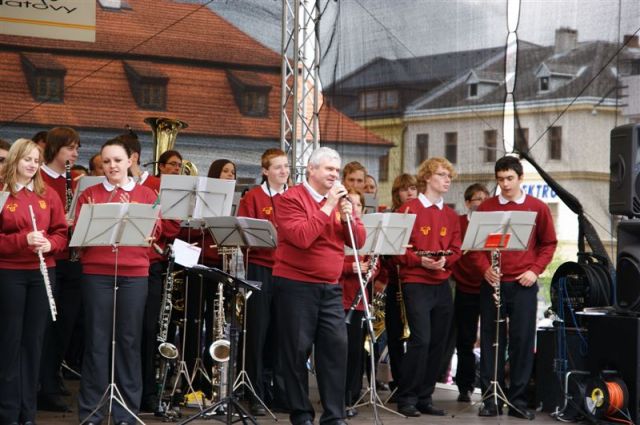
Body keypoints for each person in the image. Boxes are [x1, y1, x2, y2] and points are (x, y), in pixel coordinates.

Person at [272, 147, 365, 425]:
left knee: (336, 349)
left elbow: (358, 241)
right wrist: (327, 207)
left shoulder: (340, 202)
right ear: (311, 170)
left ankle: (334, 416)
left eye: (337, 171)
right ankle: (301, 414)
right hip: (296, 285)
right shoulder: (290, 199)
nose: (335, 175)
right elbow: (302, 237)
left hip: (330, 287)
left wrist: (349, 216)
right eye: (329, 169)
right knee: (296, 351)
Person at [75, 138, 161, 424]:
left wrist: (151, 233)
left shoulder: (147, 194)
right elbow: (79, 228)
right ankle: (92, 410)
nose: (112, 166)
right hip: (96, 272)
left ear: (130, 161)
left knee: (128, 339)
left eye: (117, 160)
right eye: (107, 161)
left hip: (134, 272)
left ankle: (126, 410)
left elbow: (156, 226)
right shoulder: (90, 193)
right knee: (97, 340)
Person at [476, 156, 557, 420]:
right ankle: (491, 399)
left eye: (510, 178)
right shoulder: (487, 207)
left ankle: (518, 401)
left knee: (522, 341)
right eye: (500, 180)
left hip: (523, 284)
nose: (505, 185)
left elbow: (548, 243)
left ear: (520, 178)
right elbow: (474, 247)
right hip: (493, 283)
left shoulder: (537, 207)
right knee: (491, 340)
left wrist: (535, 270)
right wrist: (484, 269)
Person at [0, 138, 68, 425]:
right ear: (15, 159)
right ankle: (7, 412)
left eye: (36, 160)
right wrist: (22, 240)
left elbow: (62, 234)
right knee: (9, 342)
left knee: (33, 343)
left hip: (43, 273)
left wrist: (50, 245)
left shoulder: (48, 194)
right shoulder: (2, 193)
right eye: (27, 159)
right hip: (9, 272)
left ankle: (27, 412)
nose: (32, 165)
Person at [394, 158, 461, 417]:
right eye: (442, 175)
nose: (447, 180)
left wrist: (446, 260)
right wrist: (418, 260)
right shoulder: (408, 210)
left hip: (442, 283)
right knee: (421, 340)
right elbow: (396, 250)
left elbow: (456, 249)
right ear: (427, 177)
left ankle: (425, 396)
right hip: (416, 283)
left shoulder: (451, 215)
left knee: (439, 343)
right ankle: (407, 396)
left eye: (449, 176)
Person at [237, 148, 289, 416]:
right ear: (265, 171)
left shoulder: (294, 197)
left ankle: (279, 392)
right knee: (258, 330)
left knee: (282, 333)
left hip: (287, 269)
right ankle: (255, 392)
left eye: (286, 166)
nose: (284, 171)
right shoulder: (253, 197)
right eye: (278, 167)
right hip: (260, 268)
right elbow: (244, 232)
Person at [38, 126, 81, 412]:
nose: (75, 154)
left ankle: (53, 379)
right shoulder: (38, 178)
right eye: (70, 148)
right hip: (50, 259)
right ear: (54, 149)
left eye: (77, 148)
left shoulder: (76, 181)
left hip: (74, 259)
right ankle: (42, 385)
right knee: (46, 327)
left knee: (66, 325)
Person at [380, 173, 419, 395]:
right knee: (395, 334)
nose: (410, 193)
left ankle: (412, 383)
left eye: (413, 188)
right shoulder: (392, 217)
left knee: (415, 335)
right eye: (405, 189)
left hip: (415, 281)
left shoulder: (421, 215)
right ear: (397, 193)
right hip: (396, 282)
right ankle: (398, 381)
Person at [451, 183, 489, 403]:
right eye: (477, 199)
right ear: (467, 203)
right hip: (465, 287)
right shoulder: (459, 223)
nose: (482, 202)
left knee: (489, 339)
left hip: (487, 285)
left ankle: (487, 387)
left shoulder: (492, 223)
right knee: (465, 339)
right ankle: (464, 386)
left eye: (485, 198)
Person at [339, 188, 375, 418]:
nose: (354, 208)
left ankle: (351, 395)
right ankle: (337, 396)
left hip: (359, 300)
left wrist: (371, 270)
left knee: (355, 351)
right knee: (338, 351)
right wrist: (349, 267)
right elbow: (329, 260)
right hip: (339, 298)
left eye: (358, 205)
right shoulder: (340, 229)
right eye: (349, 204)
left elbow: (375, 261)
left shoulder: (366, 232)